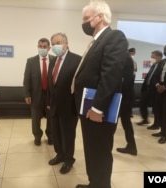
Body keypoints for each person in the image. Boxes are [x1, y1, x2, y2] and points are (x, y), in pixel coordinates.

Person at [73, 1, 128, 188]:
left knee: (100, 152)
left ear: (100, 17)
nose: (84, 22)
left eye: (87, 18)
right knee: (91, 150)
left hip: (99, 111)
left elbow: (110, 75)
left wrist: (97, 107)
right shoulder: (95, 42)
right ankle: (94, 183)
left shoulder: (114, 37)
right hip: (87, 108)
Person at [47, 33, 81, 174]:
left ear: (66, 44)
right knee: (56, 133)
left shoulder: (77, 60)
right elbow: (51, 84)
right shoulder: (53, 60)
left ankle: (68, 159)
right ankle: (60, 154)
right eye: (53, 43)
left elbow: (80, 85)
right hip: (54, 106)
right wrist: (49, 102)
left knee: (67, 135)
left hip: (70, 107)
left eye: (59, 42)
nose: (56, 46)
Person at [23, 38, 55, 146]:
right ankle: (37, 136)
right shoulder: (31, 61)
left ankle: (51, 136)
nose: (42, 48)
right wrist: (27, 94)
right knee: (35, 118)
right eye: (40, 46)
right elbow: (26, 79)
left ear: (49, 48)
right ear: (37, 46)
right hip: (36, 95)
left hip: (50, 96)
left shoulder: (55, 60)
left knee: (51, 117)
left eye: (44, 47)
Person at [116, 53, 137, 156]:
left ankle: (132, 146)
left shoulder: (126, 58)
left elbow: (126, 80)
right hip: (123, 96)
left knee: (125, 122)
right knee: (125, 122)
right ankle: (131, 146)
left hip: (124, 97)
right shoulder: (124, 57)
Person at [152, 43, 166, 144]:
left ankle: (165, 134)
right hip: (159, 88)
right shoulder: (162, 62)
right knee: (158, 109)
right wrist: (157, 85)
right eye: (165, 48)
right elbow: (155, 75)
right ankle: (161, 130)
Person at [136, 50, 163, 129]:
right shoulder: (153, 65)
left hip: (155, 89)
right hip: (147, 88)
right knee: (142, 103)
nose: (151, 58)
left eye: (153, 57)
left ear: (158, 56)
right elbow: (150, 76)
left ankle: (157, 124)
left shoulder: (162, 65)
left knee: (156, 107)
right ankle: (145, 119)